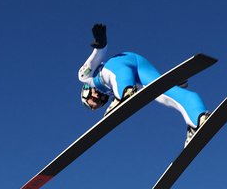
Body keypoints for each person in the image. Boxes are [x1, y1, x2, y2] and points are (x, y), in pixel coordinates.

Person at [78, 23, 210, 147]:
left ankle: (125, 92)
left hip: (120, 63)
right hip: (139, 69)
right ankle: (198, 118)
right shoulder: (111, 91)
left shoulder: (87, 77)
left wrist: (100, 45)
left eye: (95, 99)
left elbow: (97, 57)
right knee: (164, 94)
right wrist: (171, 82)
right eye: (101, 102)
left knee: (113, 77)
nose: (100, 99)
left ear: (86, 92)